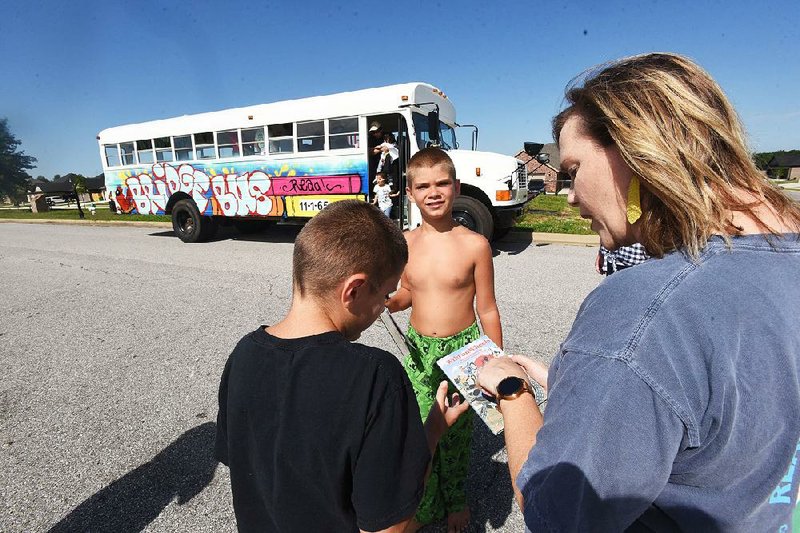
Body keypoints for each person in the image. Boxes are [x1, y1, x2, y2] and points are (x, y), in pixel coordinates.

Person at [478, 52, 800, 531]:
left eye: (573, 169)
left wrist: (513, 391)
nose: (569, 194)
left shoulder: (645, 309)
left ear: (633, 149)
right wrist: (579, 382)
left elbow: (558, 514)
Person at [215, 200, 469, 533]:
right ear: (355, 289)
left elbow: (249, 464)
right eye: (385, 295)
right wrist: (432, 431)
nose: (382, 309)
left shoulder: (243, 355)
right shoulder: (376, 377)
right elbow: (386, 526)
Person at [386, 148, 502, 533]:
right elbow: (407, 293)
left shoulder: (475, 245)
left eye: (441, 183)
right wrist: (389, 301)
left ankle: (454, 500)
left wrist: (496, 364)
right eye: (423, 186)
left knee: (457, 434)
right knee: (421, 431)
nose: (433, 192)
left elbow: (487, 309)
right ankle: (425, 503)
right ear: (410, 192)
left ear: (455, 186)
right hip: (420, 352)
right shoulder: (403, 244)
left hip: (464, 350)